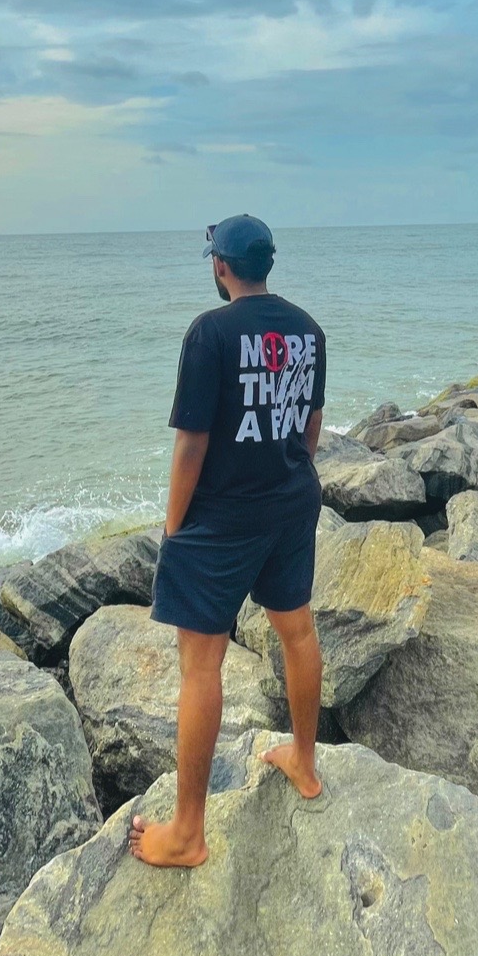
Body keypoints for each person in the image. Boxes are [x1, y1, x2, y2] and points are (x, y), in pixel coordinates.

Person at [129, 213, 327, 868]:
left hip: (221, 517)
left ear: (220, 267)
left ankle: (188, 832)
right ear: (267, 264)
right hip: (291, 499)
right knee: (297, 631)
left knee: (201, 665)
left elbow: (192, 443)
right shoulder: (308, 330)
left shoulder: (209, 332)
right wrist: (287, 477)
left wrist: (173, 527)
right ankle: (304, 761)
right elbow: (310, 426)